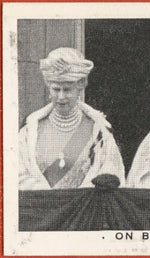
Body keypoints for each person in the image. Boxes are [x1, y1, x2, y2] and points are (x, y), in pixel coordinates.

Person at [19, 47, 125, 190]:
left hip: (85, 210)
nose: (61, 97)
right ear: (49, 87)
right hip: (41, 209)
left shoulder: (99, 132)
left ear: (80, 86)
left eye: (67, 89)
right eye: (56, 89)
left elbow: (112, 174)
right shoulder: (30, 131)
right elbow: (17, 176)